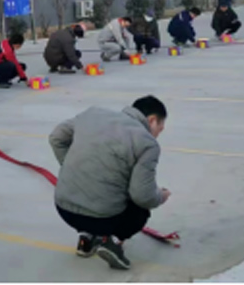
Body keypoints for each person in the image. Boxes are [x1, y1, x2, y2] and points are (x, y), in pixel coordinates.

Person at [49, 95, 171, 270]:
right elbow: (143, 196)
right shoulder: (146, 143)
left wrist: (72, 168)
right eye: (160, 128)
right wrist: (161, 196)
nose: (159, 134)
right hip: (102, 217)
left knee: (99, 191)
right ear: (152, 120)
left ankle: (86, 239)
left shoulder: (92, 115)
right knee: (140, 210)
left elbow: (56, 138)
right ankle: (111, 241)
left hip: (64, 209)